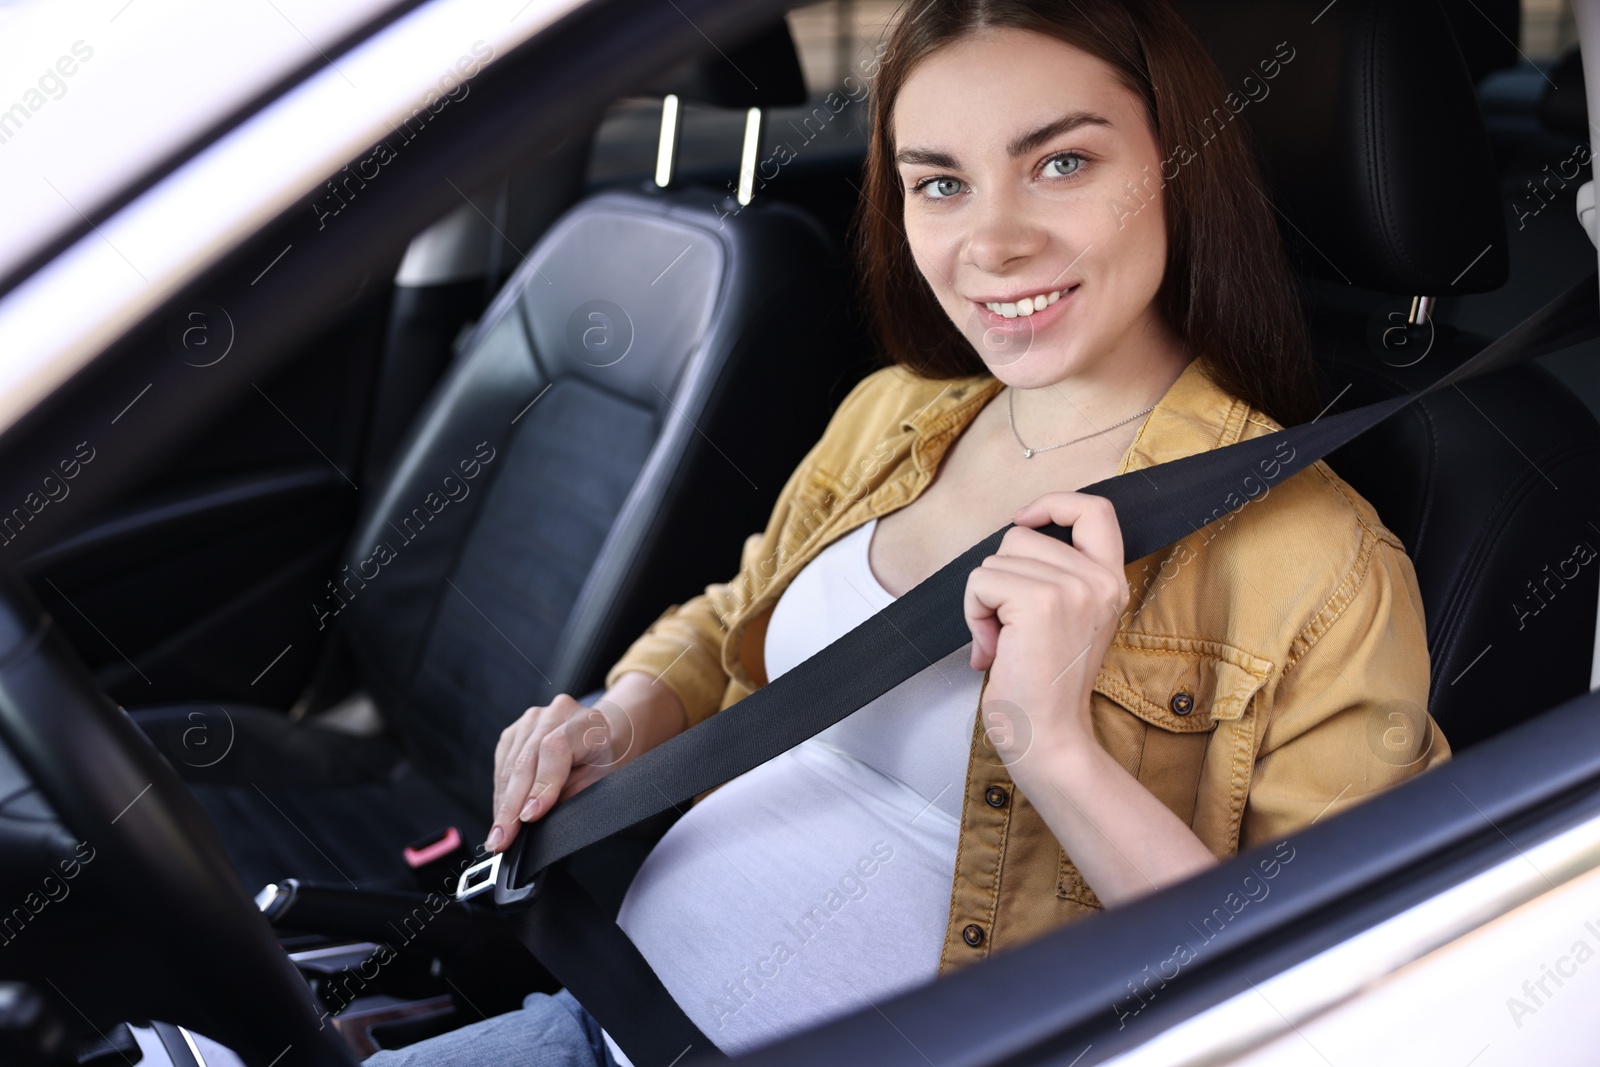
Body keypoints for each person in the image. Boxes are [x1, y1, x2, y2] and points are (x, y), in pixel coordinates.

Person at [363, 0, 1448, 1063]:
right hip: (595, 1015)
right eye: (940, 183)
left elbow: (1329, 994)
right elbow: (734, 614)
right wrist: (624, 718)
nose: (994, 243)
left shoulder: (1321, 567)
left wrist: (1051, 744)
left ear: (1178, 162)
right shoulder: (892, 412)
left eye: (1061, 163)